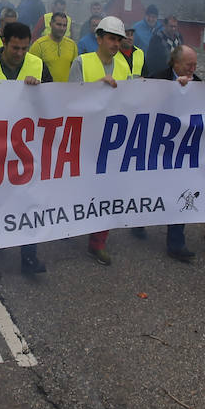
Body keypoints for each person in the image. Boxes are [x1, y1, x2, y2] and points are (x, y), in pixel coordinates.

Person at [0, 22, 50, 275]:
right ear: (3, 42)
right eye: (15, 47)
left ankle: (28, 256)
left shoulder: (37, 65)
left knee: (28, 199)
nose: (20, 53)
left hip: (25, 145)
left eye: (24, 48)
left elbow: (52, 101)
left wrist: (39, 89)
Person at [68, 15, 132, 265]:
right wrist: (97, 85)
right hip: (84, 135)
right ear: (99, 38)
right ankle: (67, 225)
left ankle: (98, 242)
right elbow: (70, 98)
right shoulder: (82, 62)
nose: (115, 44)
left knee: (106, 189)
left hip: (111, 138)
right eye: (111, 38)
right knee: (77, 187)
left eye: (119, 39)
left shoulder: (124, 66)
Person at [139, 45, 201, 261]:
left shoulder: (199, 84)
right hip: (156, 148)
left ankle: (176, 243)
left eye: (195, 64)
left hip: (181, 152)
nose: (193, 69)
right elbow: (143, 106)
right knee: (148, 189)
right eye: (189, 65)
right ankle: (138, 222)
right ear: (175, 64)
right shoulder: (157, 80)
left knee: (181, 192)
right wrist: (172, 91)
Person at [29, 11, 78, 82]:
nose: (61, 28)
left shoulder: (72, 45)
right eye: (58, 24)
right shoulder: (39, 45)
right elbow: (30, 68)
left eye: (64, 25)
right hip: (45, 89)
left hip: (67, 90)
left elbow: (75, 71)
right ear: (50, 24)